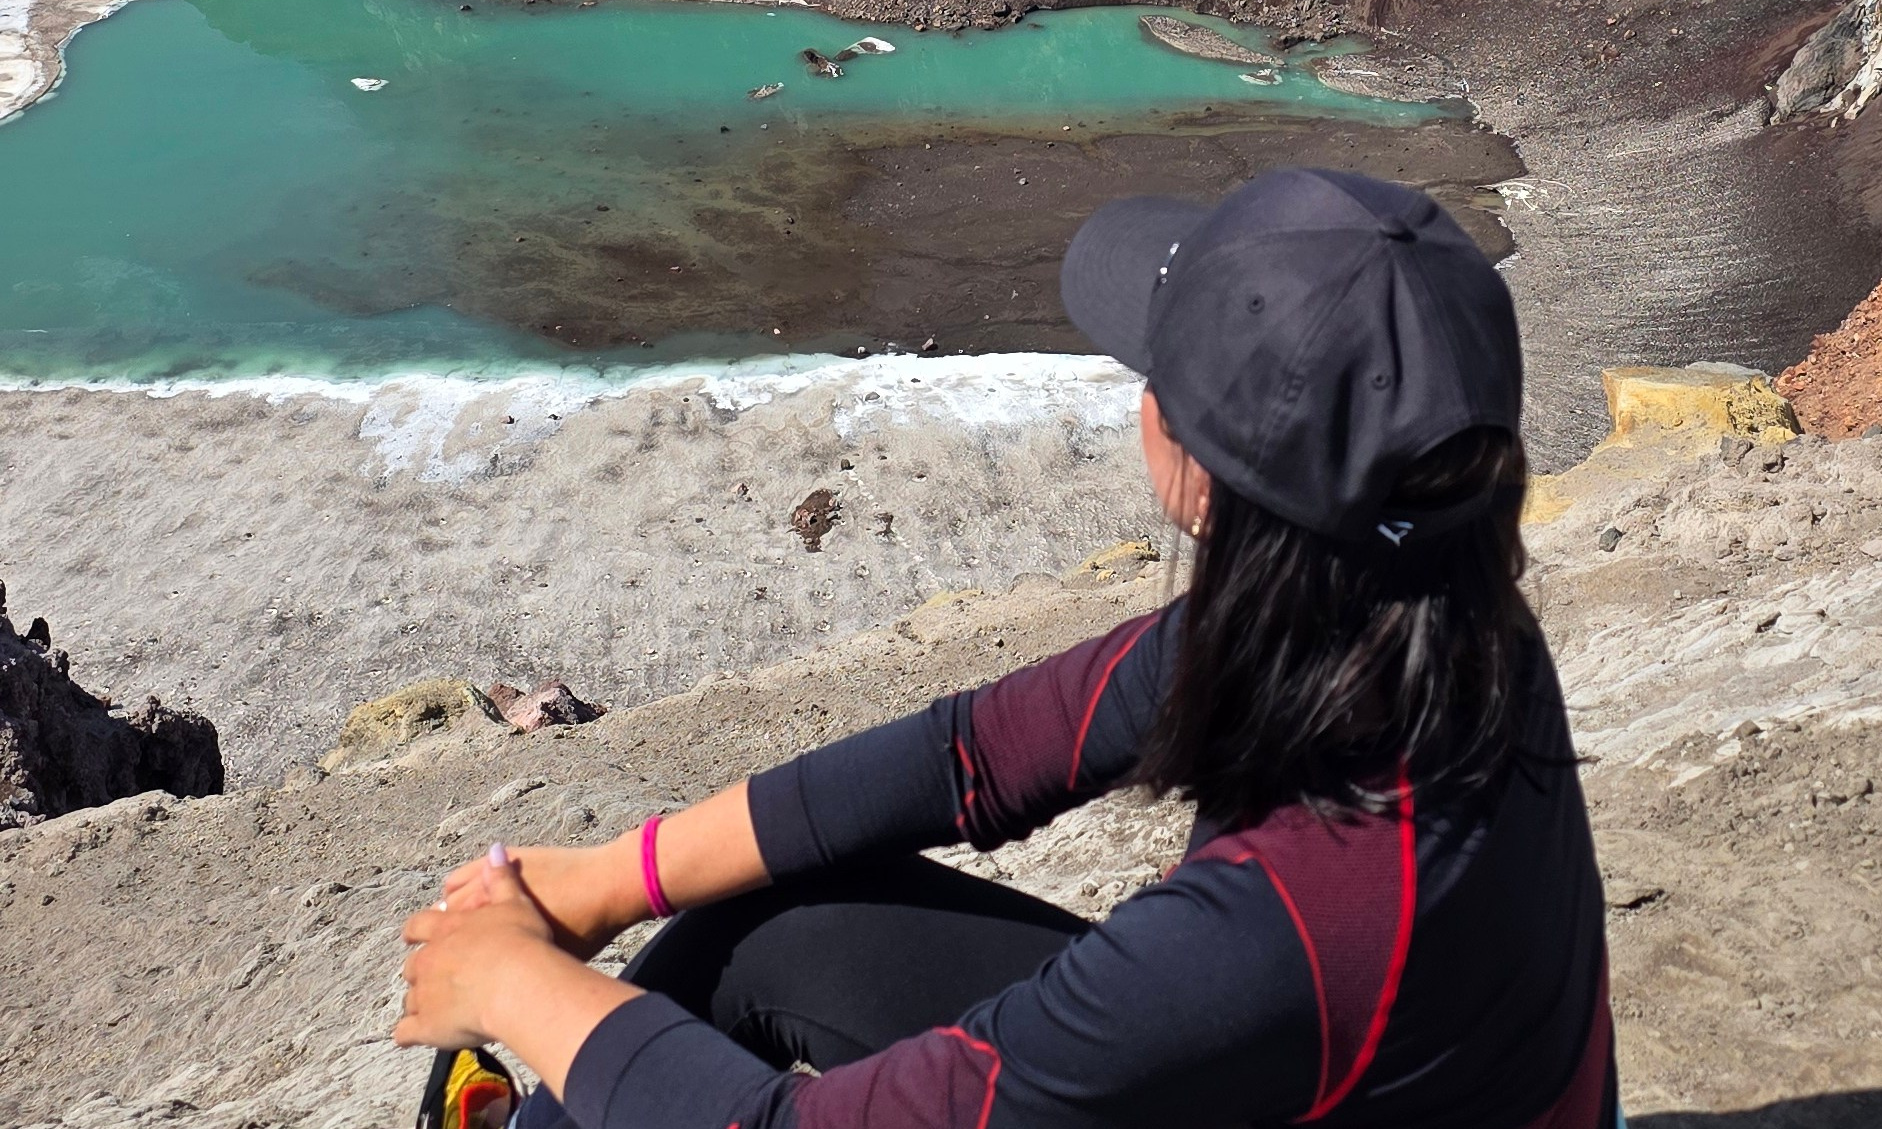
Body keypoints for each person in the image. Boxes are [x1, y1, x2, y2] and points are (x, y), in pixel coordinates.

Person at [398, 167, 1616, 1129]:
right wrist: (610, 879)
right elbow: (968, 758)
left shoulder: (1279, 924)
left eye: (1153, 369)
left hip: (1290, 1046)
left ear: (1196, 471)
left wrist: (512, 983)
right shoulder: (1412, 614)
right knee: (759, 933)